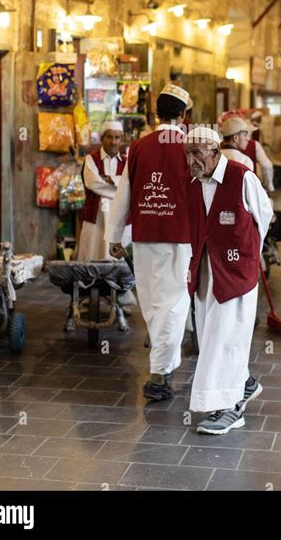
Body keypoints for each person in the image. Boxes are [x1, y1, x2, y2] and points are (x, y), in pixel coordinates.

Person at [184, 127, 273, 435]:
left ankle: (231, 408)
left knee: (228, 337)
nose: (192, 161)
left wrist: (249, 255)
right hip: (206, 271)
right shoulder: (194, 182)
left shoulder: (242, 177)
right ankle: (245, 384)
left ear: (215, 152)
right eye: (187, 154)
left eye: (197, 154)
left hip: (236, 273)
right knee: (212, 335)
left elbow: (265, 215)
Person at [107, 84, 192, 402]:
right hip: (180, 238)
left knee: (154, 303)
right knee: (174, 303)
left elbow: (123, 194)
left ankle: (162, 368)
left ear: (158, 113)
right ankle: (159, 374)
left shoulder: (139, 147)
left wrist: (115, 237)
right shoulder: (191, 146)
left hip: (144, 236)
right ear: (183, 115)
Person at [77, 121, 126, 261]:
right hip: (96, 214)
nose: (113, 142)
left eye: (117, 138)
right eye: (109, 137)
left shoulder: (127, 162)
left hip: (119, 216)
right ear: (102, 138)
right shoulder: (91, 159)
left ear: (121, 140)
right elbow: (93, 184)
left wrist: (111, 179)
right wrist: (119, 186)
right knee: (93, 249)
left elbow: (131, 185)